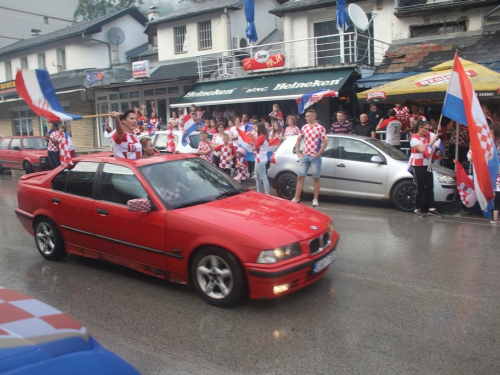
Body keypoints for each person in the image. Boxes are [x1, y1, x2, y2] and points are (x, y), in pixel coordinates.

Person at [292, 109, 327, 207]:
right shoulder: (304, 127)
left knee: (316, 178)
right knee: (300, 177)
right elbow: (298, 139)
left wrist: (318, 154)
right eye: (306, 116)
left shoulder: (320, 128)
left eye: (307, 116)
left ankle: (315, 199)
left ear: (313, 117)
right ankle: (296, 197)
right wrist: (298, 152)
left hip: (315, 157)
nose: (306, 118)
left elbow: (325, 143)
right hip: (305, 155)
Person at [410, 121, 442, 217]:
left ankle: (431, 208)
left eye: (428, 129)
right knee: (420, 187)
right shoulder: (414, 138)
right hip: (418, 164)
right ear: (420, 127)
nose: (427, 131)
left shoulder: (427, 136)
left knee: (430, 186)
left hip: (427, 164)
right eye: (425, 129)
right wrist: (432, 142)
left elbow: (436, 143)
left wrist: (435, 146)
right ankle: (417, 208)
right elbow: (423, 150)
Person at [251, 122, 270, 194]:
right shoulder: (264, 136)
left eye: (256, 127)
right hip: (260, 158)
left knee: (263, 177)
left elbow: (255, 148)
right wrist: (253, 140)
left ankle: (267, 194)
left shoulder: (261, 137)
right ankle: (259, 192)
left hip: (260, 159)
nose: (255, 128)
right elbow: (258, 145)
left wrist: (253, 146)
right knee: (257, 177)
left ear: (260, 128)